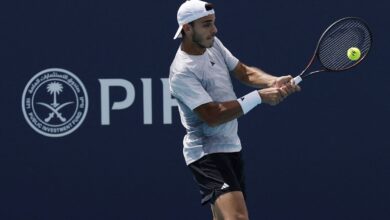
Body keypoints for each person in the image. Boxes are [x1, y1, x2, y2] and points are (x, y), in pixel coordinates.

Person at [169, 1, 300, 219]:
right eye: (207, 25)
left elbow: (244, 72)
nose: (214, 30)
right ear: (187, 28)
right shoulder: (182, 71)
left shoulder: (213, 45)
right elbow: (212, 115)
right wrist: (259, 97)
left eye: (213, 23)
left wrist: (273, 81)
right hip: (206, 153)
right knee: (238, 217)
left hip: (230, 146)